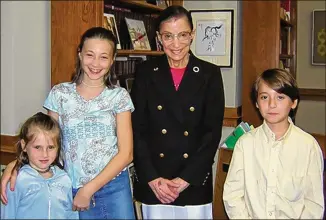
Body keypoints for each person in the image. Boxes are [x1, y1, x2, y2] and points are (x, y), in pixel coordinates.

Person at [1, 27, 135, 219]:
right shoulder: (60, 94)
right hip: (71, 185)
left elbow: (127, 154)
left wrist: (88, 190)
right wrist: (16, 163)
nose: (95, 63)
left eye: (103, 57)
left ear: (112, 60)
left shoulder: (119, 97)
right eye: (90, 55)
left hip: (114, 188)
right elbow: (47, 138)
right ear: (79, 54)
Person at [130, 5, 225, 219]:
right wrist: (152, 178)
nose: (175, 44)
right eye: (168, 36)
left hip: (193, 181)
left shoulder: (210, 74)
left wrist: (186, 179)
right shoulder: (146, 72)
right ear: (158, 38)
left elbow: (211, 134)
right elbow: (136, 129)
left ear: (192, 35)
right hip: (156, 182)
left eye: (182, 35)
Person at [223, 68, 324, 219]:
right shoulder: (245, 144)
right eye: (264, 97)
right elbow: (233, 196)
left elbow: (313, 204)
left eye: (280, 97)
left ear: (294, 102)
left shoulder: (308, 146)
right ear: (257, 103)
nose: (271, 104)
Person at [0, 112, 78, 219]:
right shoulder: (17, 181)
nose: (45, 154)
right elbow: (7, 215)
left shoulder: (64, 179)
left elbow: (71, 214)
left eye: (50, 147)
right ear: (24, 145)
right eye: (37, 147)